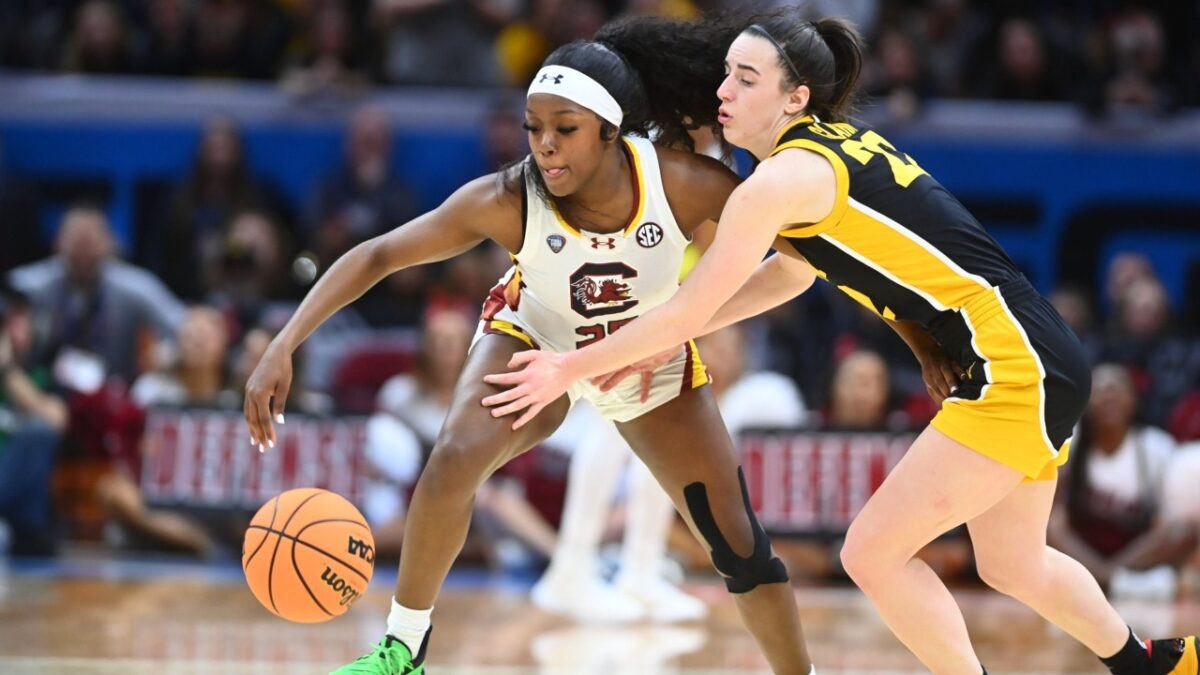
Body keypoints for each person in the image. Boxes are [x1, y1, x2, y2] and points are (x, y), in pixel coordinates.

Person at [482, 10, 1199, 674]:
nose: (723, 91)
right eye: (726, 73)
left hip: (1012, 360)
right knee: (1013, 562)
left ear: (795, 98)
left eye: (746, 78)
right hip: (1038, 352)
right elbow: (788, 278)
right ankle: (1152, 662)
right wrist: (664, 329)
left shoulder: (782, 181)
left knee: (871, 553)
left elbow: (691, 307)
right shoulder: (816, 159)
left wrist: (568, 365)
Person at [244, 31, 816, 675]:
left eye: (564, 128)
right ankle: (402, 649)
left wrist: (685, 323)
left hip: (644, 355)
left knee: (740, 548)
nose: (543, 144)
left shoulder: (685, 184)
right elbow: (379, 254)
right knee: (454, 456)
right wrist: (284, 343)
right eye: (533, 127)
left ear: (610, 130)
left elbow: (806, 262)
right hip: (534, 338)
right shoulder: (507, 198)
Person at [1048, 363, 1199, 599]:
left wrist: (1108, 571)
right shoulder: (1072, 441)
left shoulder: (1156, 447)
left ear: (1134, 400)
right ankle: (1120, 583)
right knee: (1049, 525)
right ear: (1085, 402)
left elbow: (1168, 524)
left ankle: (1102, 580)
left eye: (1117, 388)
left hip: (1135, 551)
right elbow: (1055, 512)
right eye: (1101, 389)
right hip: (1084, 547)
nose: (1110, 395)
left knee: (1180, 528)